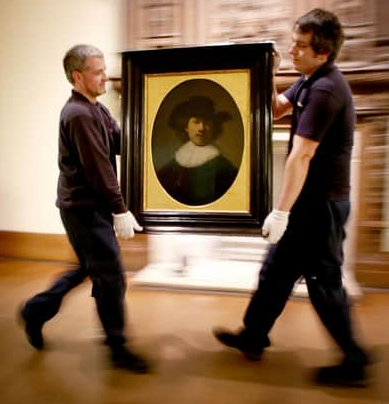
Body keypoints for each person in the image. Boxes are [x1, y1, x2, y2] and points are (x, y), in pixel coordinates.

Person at [212, 9, 372, 386]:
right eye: (293, 43)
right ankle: (253, 336)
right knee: (275, 273)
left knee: (324, 283)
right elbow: (274, 109)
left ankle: (355, 360)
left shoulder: (326, 90)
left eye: (300, 46)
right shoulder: (307, 82)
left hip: (322, 207)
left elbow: (301, 155)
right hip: (307, 204)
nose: (293, 50)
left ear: (324, 51)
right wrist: (264, 70)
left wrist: (280, 212)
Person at [18, 44, 149, 374]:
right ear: (78, 76)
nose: (105, 76)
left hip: (89, 207)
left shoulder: (97, 109)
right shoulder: (78, 114)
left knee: (89, 269)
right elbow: (98, 168)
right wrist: (120, 209)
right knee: (111, 277)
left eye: (105, 69)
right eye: (98, 71)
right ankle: (118, 348)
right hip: (83, 209)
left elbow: (119, 143)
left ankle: (35, 311)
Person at [156, 96, 238, 206]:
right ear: (186, 127)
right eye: (196, 122)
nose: (201, 128)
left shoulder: (225, 168)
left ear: (213, 128)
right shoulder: (173, 164)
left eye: (207, 122)